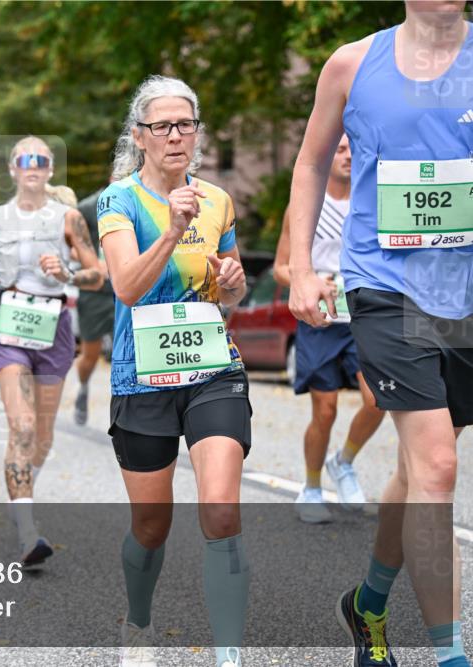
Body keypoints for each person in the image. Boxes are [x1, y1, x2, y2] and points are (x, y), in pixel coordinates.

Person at [287, 4, 471, 666]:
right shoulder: (353, 63)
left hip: (463, 293)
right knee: (441, 465)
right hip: (385, 284)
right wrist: (302, 266)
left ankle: (368, 602)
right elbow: (310, 164)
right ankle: (453, 656)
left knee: (420, 466)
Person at [99, 75, 251, 667]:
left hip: (212, 368)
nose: (175, 136)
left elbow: (226, 283)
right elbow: (127, 287)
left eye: (185, 124)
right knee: (151, 526)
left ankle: (229, 657)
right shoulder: (119, 201)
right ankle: (138, 623)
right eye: (161, 126)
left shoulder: (218, 200)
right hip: (143, 379)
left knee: (220, 509)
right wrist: (169, 231)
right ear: (140, 137)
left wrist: (232, 285)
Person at [0, 136, 104, 567]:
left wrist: (67, 270)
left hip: (55, 329)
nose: (33, 166)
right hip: (10, 327)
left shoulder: (68, 218)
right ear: (12, 168)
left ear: (50, 169)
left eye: (41, 160)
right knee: (23, 426)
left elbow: (97, 275)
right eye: (25, 159)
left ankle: (20, 496)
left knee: (43, 436)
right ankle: (28, 533)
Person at [274, 135, 386, 523]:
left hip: (364, 318)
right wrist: (307, 279)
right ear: (327, 155)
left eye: (354, 148)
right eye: (339, 149)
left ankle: (345, 461)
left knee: (378, 400)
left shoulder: (373, 201)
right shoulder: (305, 206)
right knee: (325, 410)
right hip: (319, 320)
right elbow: (280, 267)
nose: (348, 156)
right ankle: (311, 487)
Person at [73, 181, 116, 426]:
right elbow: (72, 244)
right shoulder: (88, 207)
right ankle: (83, 386)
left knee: (132, 351)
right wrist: (92, 263)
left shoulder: (142, 200)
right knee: (90, 354)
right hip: (96, 290)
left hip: (128, 287)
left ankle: (127, 408)